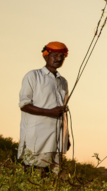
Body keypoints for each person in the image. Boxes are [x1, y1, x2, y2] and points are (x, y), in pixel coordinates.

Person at [18, 42, 70, 173]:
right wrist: (49, 112)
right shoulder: (33, 76)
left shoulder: (63, 81)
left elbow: (62, 111)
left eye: (62, 56)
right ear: (46, 56)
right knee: (32, 171)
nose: (59, 59)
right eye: (55, 55)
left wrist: (66, 137)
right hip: (37, 136)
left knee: (51, 176)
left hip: (57, 138)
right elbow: (24, 105)